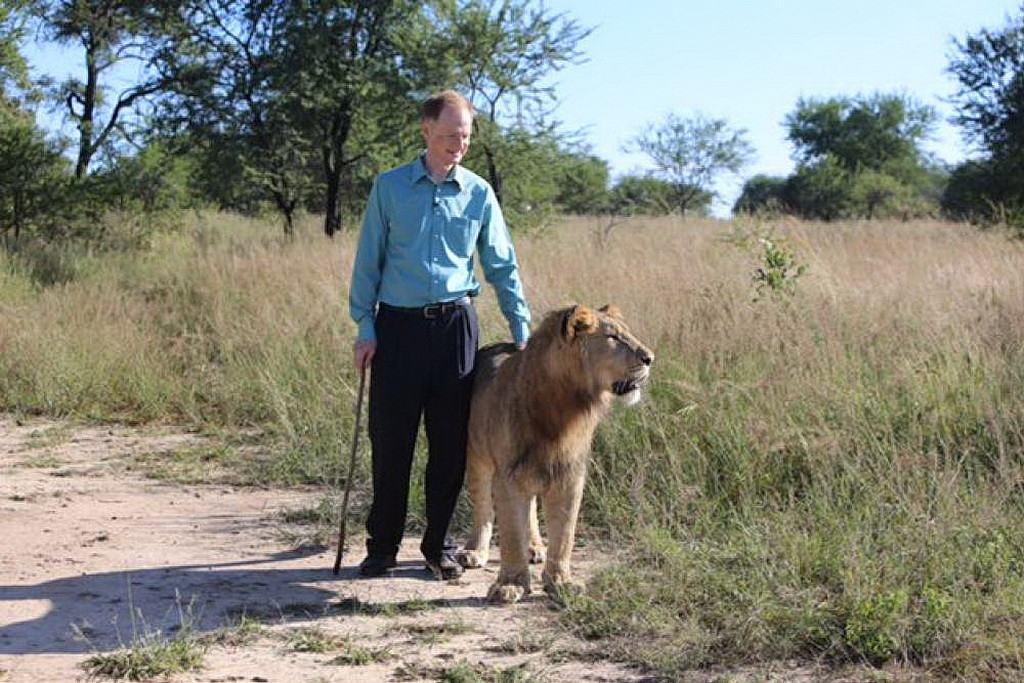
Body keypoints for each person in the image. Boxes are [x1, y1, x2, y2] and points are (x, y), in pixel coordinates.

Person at [349, 90, 531, 580]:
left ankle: (438, 546)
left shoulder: (478, 193)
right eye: (450, 135)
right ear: (426, 130)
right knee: (392, 441)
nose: (459, 145)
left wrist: (521, 329)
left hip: (455, 328)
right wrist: (365, 327)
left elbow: (501, 264)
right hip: (397, 328)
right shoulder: (389, 187)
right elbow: (368, 261)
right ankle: (382, 546)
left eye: (465, 136)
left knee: (450, 444)